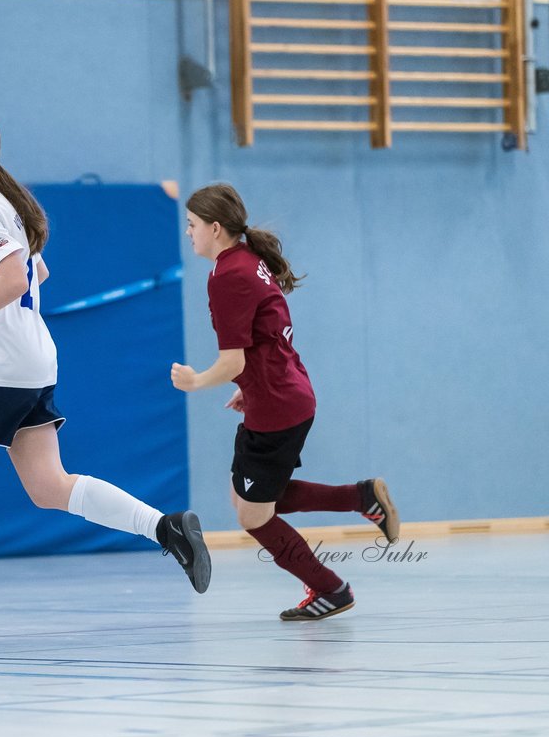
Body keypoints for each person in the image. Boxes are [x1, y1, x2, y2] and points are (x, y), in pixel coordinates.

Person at [0, 113, 210, 646]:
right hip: (33, 359)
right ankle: (165, 527)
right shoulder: (9, 204)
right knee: (48, 487)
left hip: (0, 366)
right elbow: (40, 273)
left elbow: (14, 278)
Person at [170, 183, 399, 621]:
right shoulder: (246, 263)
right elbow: (264, 342)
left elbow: (232, 357)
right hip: (280, 396)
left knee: (254, 516)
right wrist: (249, 384)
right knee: (247, 501)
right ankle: (362, 497)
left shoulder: (228, 275)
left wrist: (197, 381)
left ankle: (332, 588)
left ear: (215, 228)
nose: (189, 233)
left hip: (277, 406)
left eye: (192, 225)